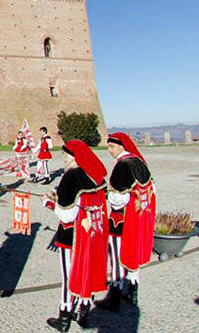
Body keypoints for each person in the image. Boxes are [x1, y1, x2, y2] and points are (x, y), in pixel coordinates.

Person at [43, 140, 108, 331]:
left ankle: (64, 316)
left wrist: (49, 203)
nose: (64, 159)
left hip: (72, 236)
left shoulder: (71, 177)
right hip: (94, 233)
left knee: (69, 276)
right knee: (89, 270)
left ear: (73, 156)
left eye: (66, 155)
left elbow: (67, 214)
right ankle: (83, 311)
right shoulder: (96, 174)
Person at [95, 132, 155, 311]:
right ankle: (133, 292)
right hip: (138, 218)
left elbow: (118, 199)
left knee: (116, 257)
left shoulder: (123, 165)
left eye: (112, 147)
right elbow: (151, 190)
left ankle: (114, 298)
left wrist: (106, 193)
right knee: (132, 254)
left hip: (121, 220)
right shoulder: (139, 162)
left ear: (121, 146)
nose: (109, 150)